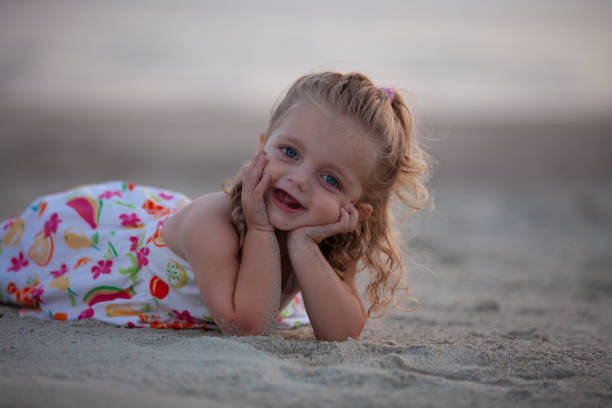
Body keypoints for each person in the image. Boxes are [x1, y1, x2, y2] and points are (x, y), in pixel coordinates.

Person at [0, 72, 430, 341]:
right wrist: (262, 232)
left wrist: (303, 249)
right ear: (262, 146)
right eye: (290, 152)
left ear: (357, 208)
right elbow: (247, 326)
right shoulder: (213, 221)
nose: (299, 178)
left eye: (330, 179)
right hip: (92, 249)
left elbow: (342, 334)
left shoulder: (328, 238)